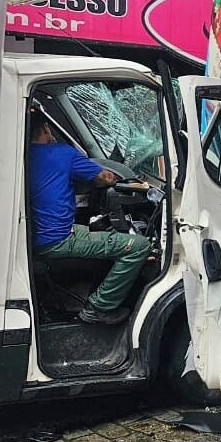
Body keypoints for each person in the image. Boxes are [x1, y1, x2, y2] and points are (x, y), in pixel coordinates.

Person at [28, 110, 150, 325]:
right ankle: (98, 307)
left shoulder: (21, 155)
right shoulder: (62, 154)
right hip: (57, 240)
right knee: (137, 246)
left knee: (99, 234)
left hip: (36, 237)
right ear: (46, 128)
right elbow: (107, 177)